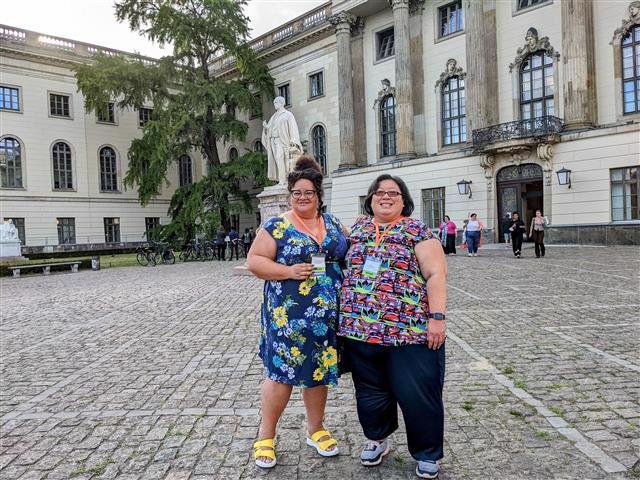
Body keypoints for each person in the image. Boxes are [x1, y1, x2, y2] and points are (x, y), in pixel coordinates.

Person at [339, 174, 447, 480]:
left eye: (393, 193)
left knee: (418, 393)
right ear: (371, 198)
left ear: (404, 200)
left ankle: (427, 453)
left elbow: (436, 273)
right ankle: (377, 439)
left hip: (409, 332)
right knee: (371, 394)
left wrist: (437, 318)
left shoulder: (417, 229)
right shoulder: (358, 228)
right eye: (380, 192)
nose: (386, 197)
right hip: (360, 331)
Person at [247, 155, 348, 469]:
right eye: (297, 193)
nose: (302, 197)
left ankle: (315, 429)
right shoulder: (277, 225)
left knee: (317, 374)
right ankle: (266, 436)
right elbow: (255, 261)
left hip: (327, 318)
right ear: (290, 196)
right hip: (288, 315)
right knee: (281, 375)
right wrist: (288, 271)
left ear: (318, 195)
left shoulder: (332, 223)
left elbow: (354, 251)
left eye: (308, 192)